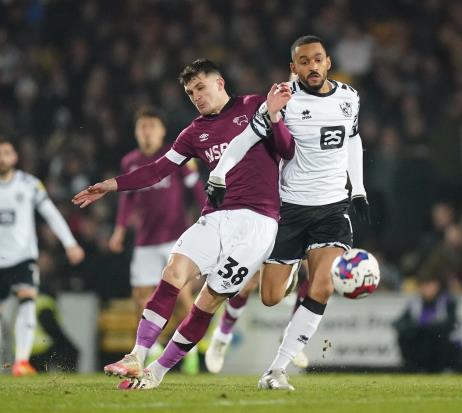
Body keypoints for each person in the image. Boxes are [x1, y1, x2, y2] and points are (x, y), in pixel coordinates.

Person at [72, 58, 294, 389]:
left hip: (258, 223)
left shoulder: (254, 105)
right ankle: (136, 356)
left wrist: (275, 115)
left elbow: (287, 149)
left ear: (219, 83)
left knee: (207, 302)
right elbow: (158, 169)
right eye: (190, 93)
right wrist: (111, 185)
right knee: (172, 274)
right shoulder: (194, 132)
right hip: (214, 218)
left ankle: (157, 372)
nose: (196, 96)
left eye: (200, 88)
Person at [206, 35, 369, 390]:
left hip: (331, 208)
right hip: (288, 209)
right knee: (270, 297)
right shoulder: (282, 100)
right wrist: (219, 173)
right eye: (305, 62)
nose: (313, 66)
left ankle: (276, 370)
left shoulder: (349, 97)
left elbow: (353, 139)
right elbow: (245, 139)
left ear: (328, 62)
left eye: (318, 59)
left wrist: (357, 189)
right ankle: (289, 272)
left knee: (323, 285)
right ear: (293, 68)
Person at [108, 106, 205, 372]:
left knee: (183, 297)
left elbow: (195, 188)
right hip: (145, 241)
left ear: (162, 131)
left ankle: (189, 353)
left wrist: (208, 217)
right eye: (142, 127)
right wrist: (119, 230)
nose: (147, 131)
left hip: (175, 239)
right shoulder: (130, 161)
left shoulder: (176, 157)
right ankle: (157, 349)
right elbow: (126, 199)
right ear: (137, 132)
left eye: (152, 126)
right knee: (141, 296)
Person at [0, 137, 85, 376]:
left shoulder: (29, 184)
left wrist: (70, 244)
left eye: (6, 153)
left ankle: (21, 362)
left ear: (14, 157)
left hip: (22, 258)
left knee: (28, 300)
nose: (2, 158)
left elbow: (52, 214)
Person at [392, 273, 462, 374]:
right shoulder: (415, 302)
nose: (428, 289)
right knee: (405, 336)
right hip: (423, 345)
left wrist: (425, 327)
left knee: (439, 336)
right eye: (425, 285)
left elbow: (450, 324)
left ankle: (440, 369)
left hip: (446, 347)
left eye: (431, 285)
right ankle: (412, 368)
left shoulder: (447, 301)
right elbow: (399, 323)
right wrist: (416, 328)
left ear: (437, 286)